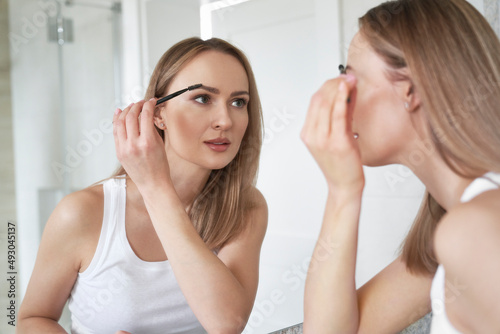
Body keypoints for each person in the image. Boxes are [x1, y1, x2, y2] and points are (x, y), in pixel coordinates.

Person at [17, 37, 268, 334]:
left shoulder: (244, 207)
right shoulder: (82, 213)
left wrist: (156, 189)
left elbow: (227, 323)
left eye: (238, 102)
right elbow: (32, 320)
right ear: (158, 113)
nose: (225, 120)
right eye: (203, 98)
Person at [301, 0, 500, 333]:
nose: (342, 100)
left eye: (351, 79)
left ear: (410, 89)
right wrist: (343, 190)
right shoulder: (450, 227)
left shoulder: (473, 229)